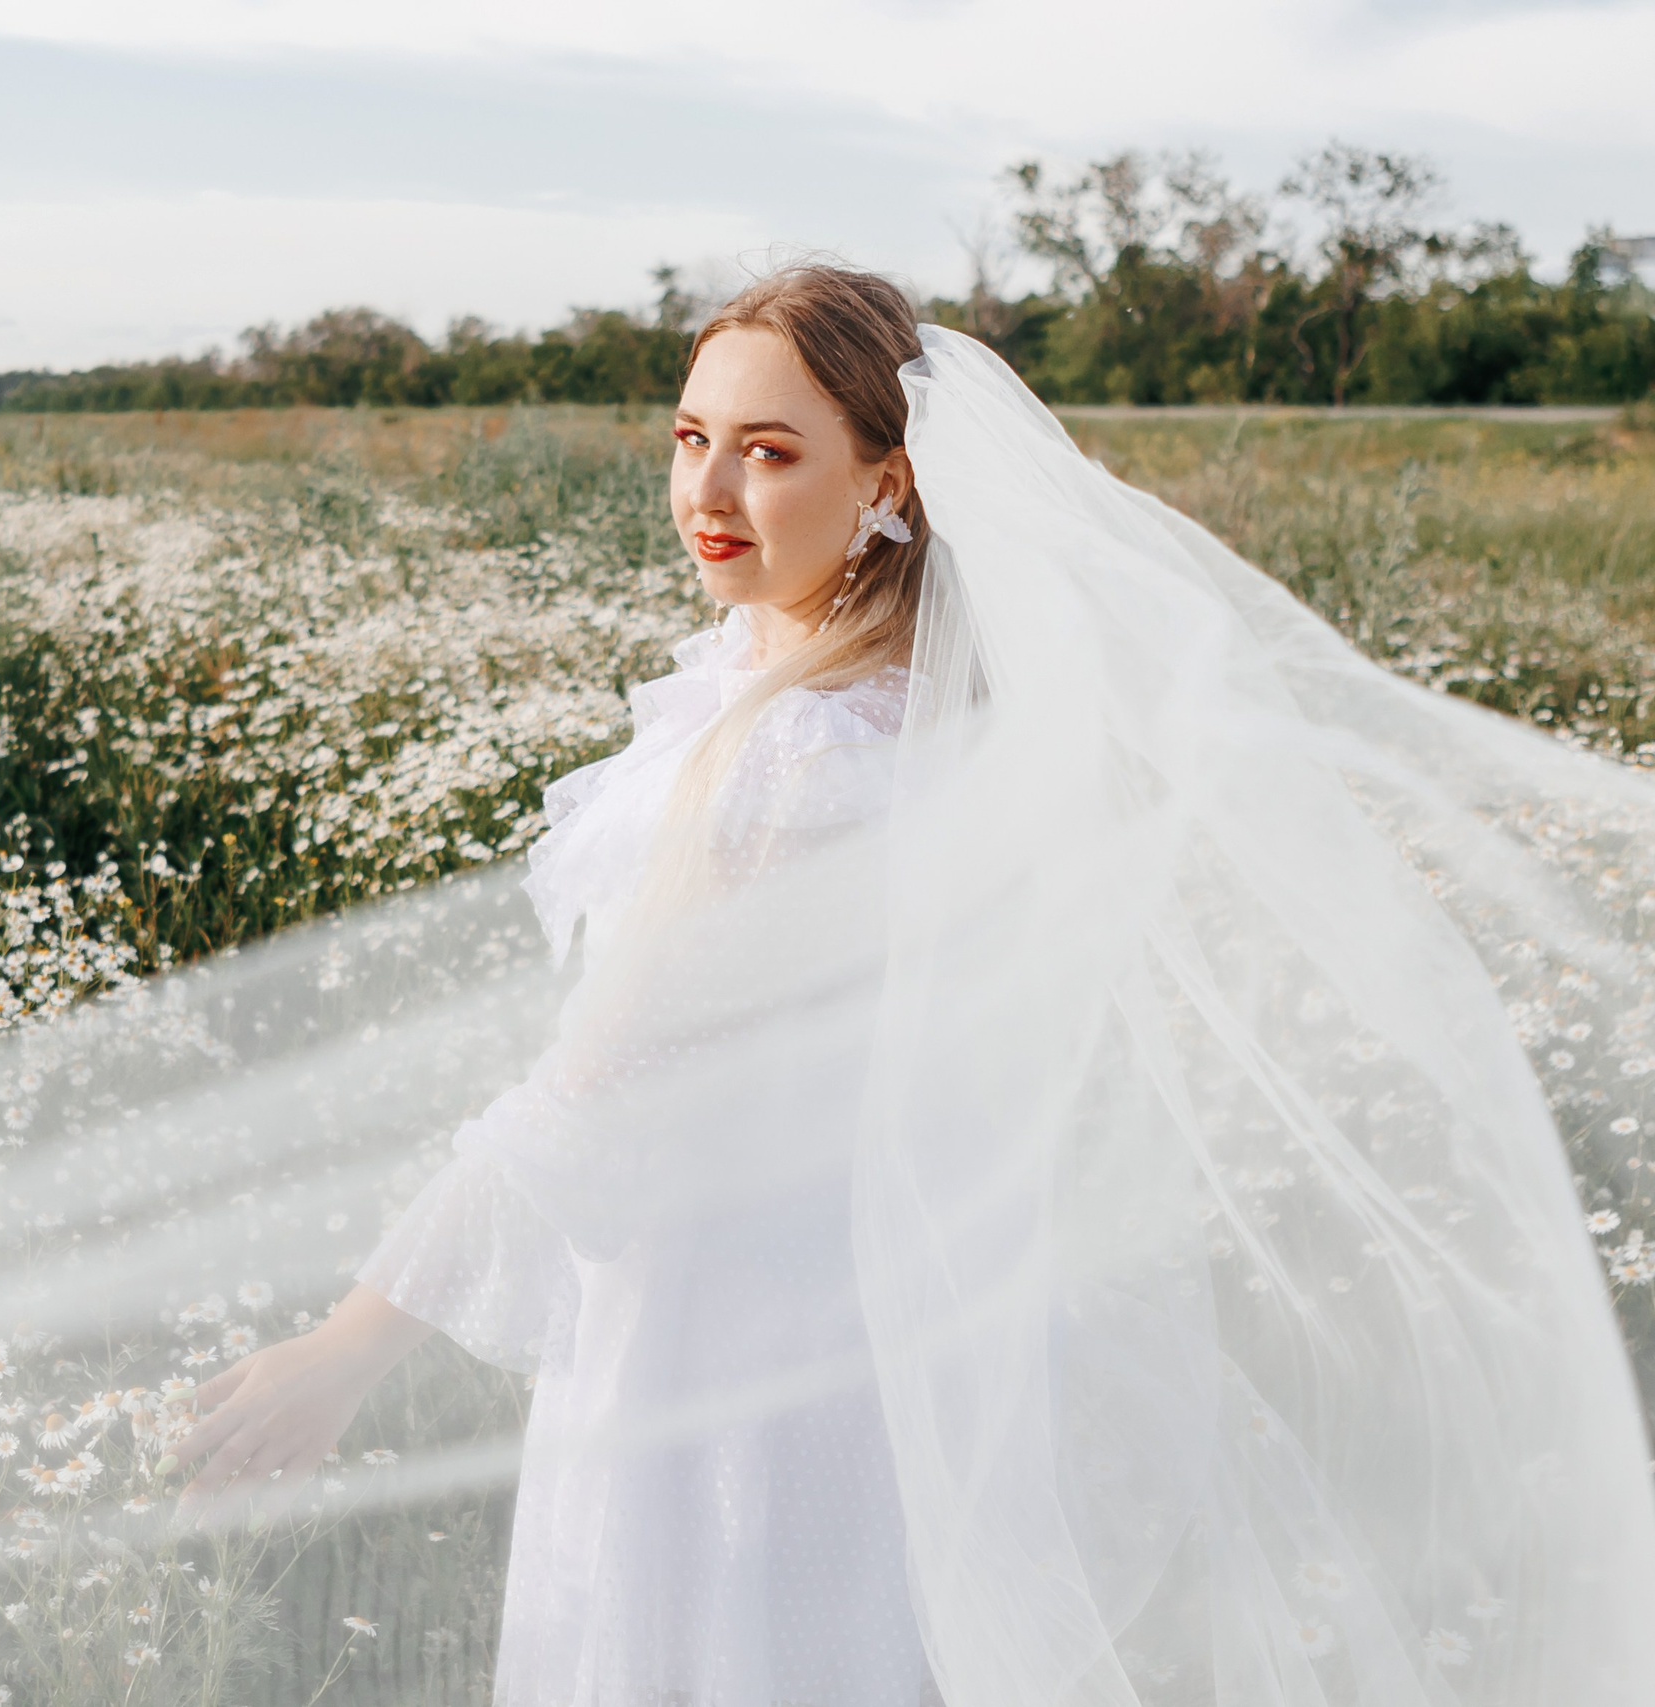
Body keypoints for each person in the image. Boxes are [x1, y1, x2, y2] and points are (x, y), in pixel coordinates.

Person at [169, 262, 1655, 1706]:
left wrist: (348, 1349)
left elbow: (595, 1091)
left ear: (889, 482)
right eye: (691, 440)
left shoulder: (803, 758)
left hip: (726, 1354)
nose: (708, 494)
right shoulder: (909, 716)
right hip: (861, 1331)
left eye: (769, 452)